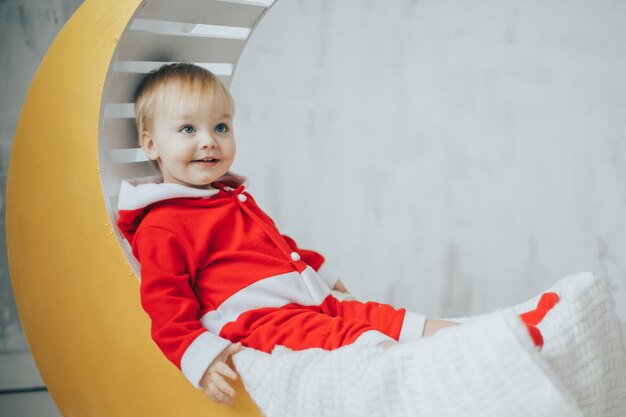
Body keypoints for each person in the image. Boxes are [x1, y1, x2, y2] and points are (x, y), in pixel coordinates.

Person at [117, 63, 558, 405]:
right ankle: (464, 366)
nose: (209, 141)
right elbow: (164, 304)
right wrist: (200, 357)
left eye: (221, 126)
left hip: (302, 297)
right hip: (263, 322)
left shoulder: (226, 197)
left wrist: (320, 272)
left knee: (382, 316)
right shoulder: (164, 223)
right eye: (188, 130)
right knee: (356, 341)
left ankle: (496, 333)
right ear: (151, 145)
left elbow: (276, 246)